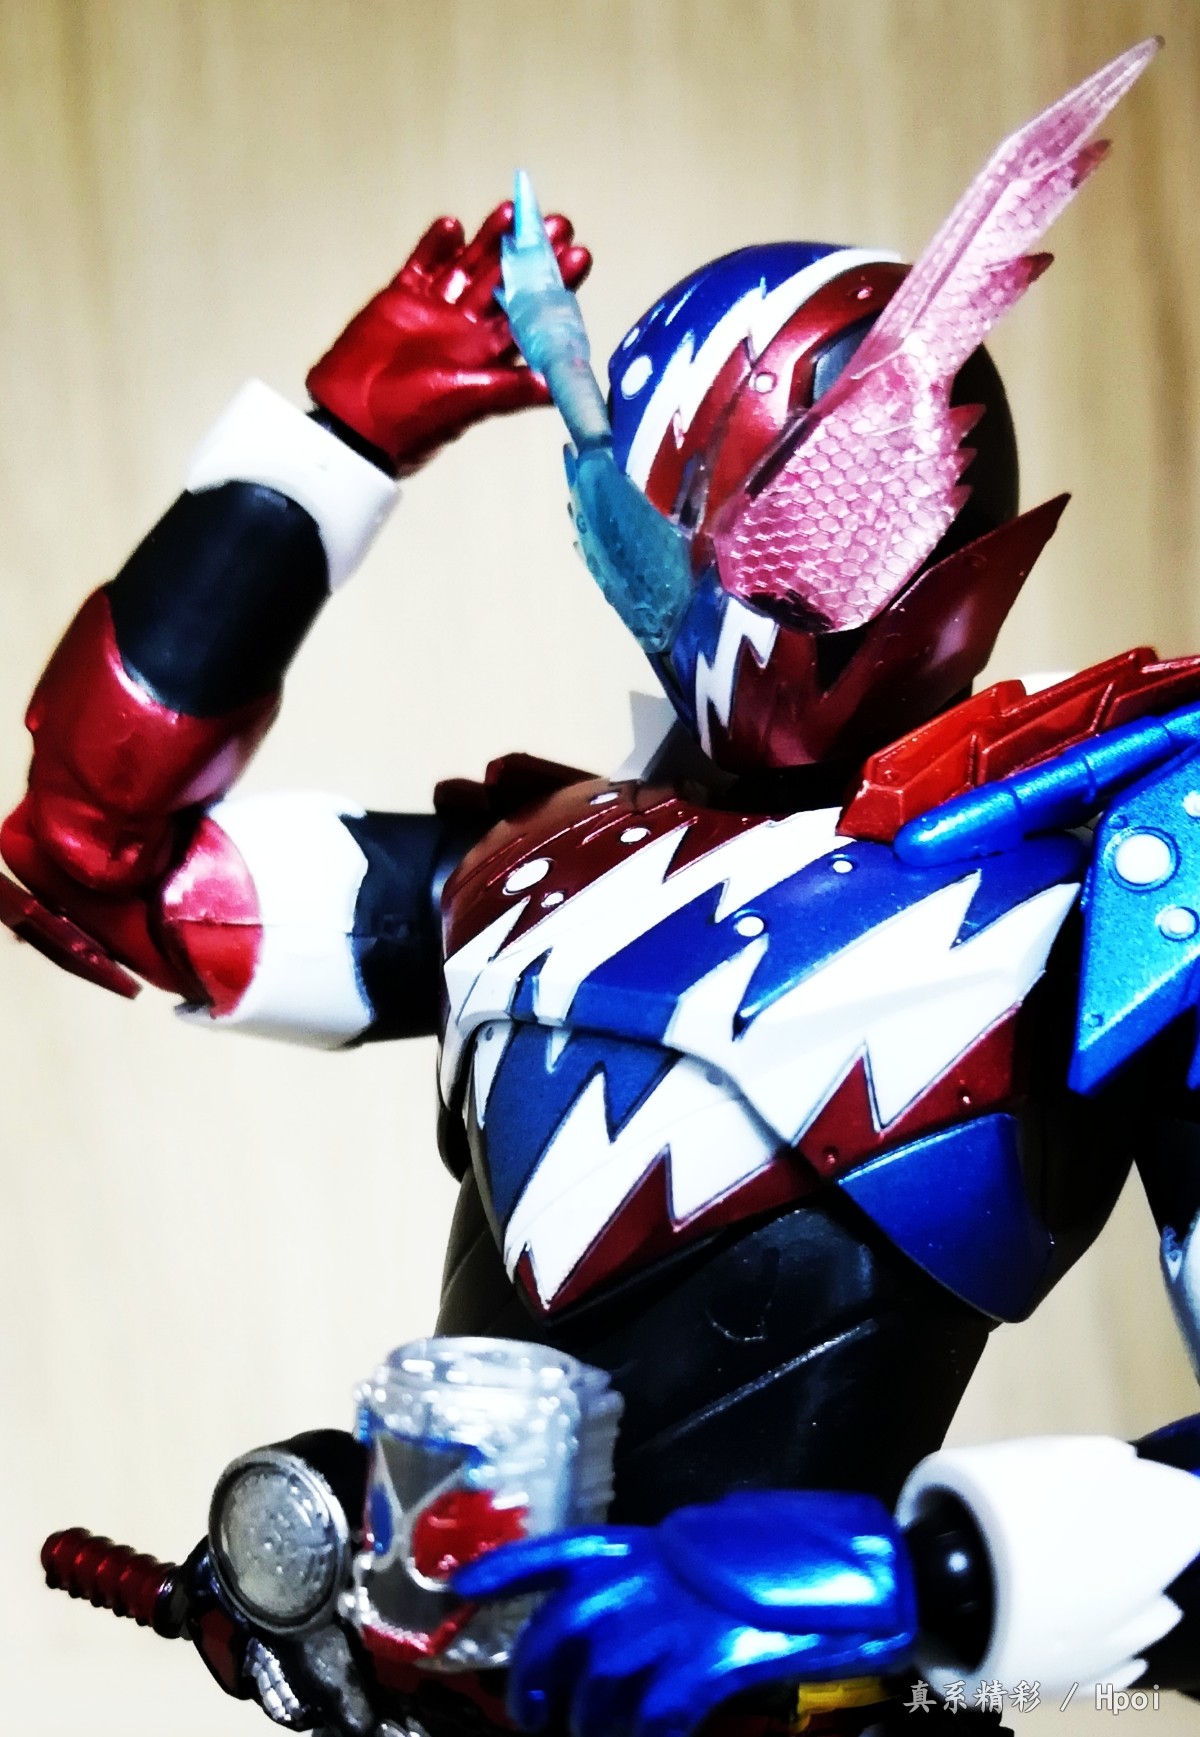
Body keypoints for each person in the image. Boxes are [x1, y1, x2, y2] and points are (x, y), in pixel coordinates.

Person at [18, 35, 1200, 1737]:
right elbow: (92, 856)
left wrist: (919, 1586)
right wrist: (345, 436)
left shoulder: (1114, 873)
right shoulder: (540, 868)